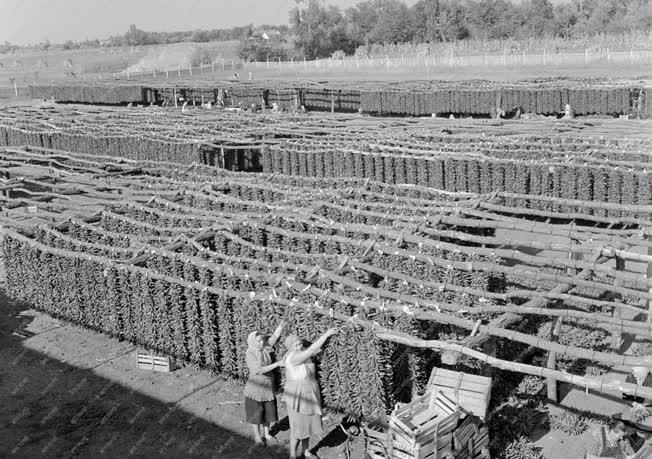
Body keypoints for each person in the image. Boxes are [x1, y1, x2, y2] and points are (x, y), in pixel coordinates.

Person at [283, 328, 339, 458]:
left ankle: (305, 450)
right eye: (296, 345)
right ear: (290, 348)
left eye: (300, 343)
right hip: (298, 396)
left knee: (307, 424)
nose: (299, 346)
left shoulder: (301, 354)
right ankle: (292, 454)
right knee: (297, 427)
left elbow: (312, 352)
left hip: (310, 393)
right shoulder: (293, 358)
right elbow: (312, 350)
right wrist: (327, 333)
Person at [244, 321, 286, 445]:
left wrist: (281, 326)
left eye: (262, 340)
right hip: (255, 389)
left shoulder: (264, 348)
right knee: (256, 414)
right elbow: (258, 370)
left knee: (269, 411)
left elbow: (273, 338)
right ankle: (257, 436)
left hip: (268, 387)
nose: (261, 342)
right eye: (258, 341)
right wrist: (277, 364)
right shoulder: (250, 353)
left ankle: (267, 433)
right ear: (252, 342)